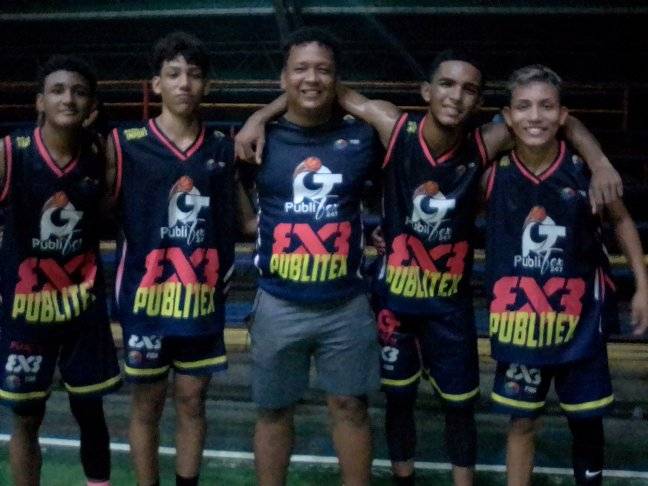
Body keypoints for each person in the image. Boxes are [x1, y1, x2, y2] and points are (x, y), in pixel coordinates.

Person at [237, 48, 622, 485]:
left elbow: (557, 119)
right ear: (426, 91)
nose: (456, 96)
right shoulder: (394, 127)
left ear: (479, 103)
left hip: (448, 304)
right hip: (395, 300)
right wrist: (260, 116)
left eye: (468, 89)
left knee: (459, 406)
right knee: (397, 402)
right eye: (446, 84)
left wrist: (599, 162)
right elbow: (323, 88)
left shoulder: (486, 143)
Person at [484, 64, 648, 486]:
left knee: (586, 422)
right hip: (521, 326)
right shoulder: (493, 173)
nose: (535, 116)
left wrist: (642, 287)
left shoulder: (585, 171)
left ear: (562, 115)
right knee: (521, 423)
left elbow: (622, 221)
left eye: (546, 106)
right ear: (508, 116)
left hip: (580, 324)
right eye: (524, 106)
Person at [239, 27, 383, 486]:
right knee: (273, 410)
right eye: (300, 69)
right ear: (283, 77)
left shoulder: (361, 137)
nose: (312, 79)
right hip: (278, 302)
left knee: (351, 407)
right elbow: (238, 206)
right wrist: (262, 115)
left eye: (324, 70)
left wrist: (266, 108)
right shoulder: (259, 140)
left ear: (337, 79)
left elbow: (402, 129)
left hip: (346, 304)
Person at [106, 32, 238, 486]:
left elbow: (240, 221)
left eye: (194, 75)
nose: (184, 83)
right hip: (146, 301)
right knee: (147, 405)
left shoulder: (221, 148)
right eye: (173, 74)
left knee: (192, 402)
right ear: (156, 83)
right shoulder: (124, 143)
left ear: (207, 85)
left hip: (200, 300)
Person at [0, 55, 121, 486]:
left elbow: (109, 212)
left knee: (90, 410)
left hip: (81, 311)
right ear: (40, 101)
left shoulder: (101, 155)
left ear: (91, 104)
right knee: (26, 416)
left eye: (78, 91)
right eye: (57, 90)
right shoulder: (11, 152)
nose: (68, 98)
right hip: (26, 313)